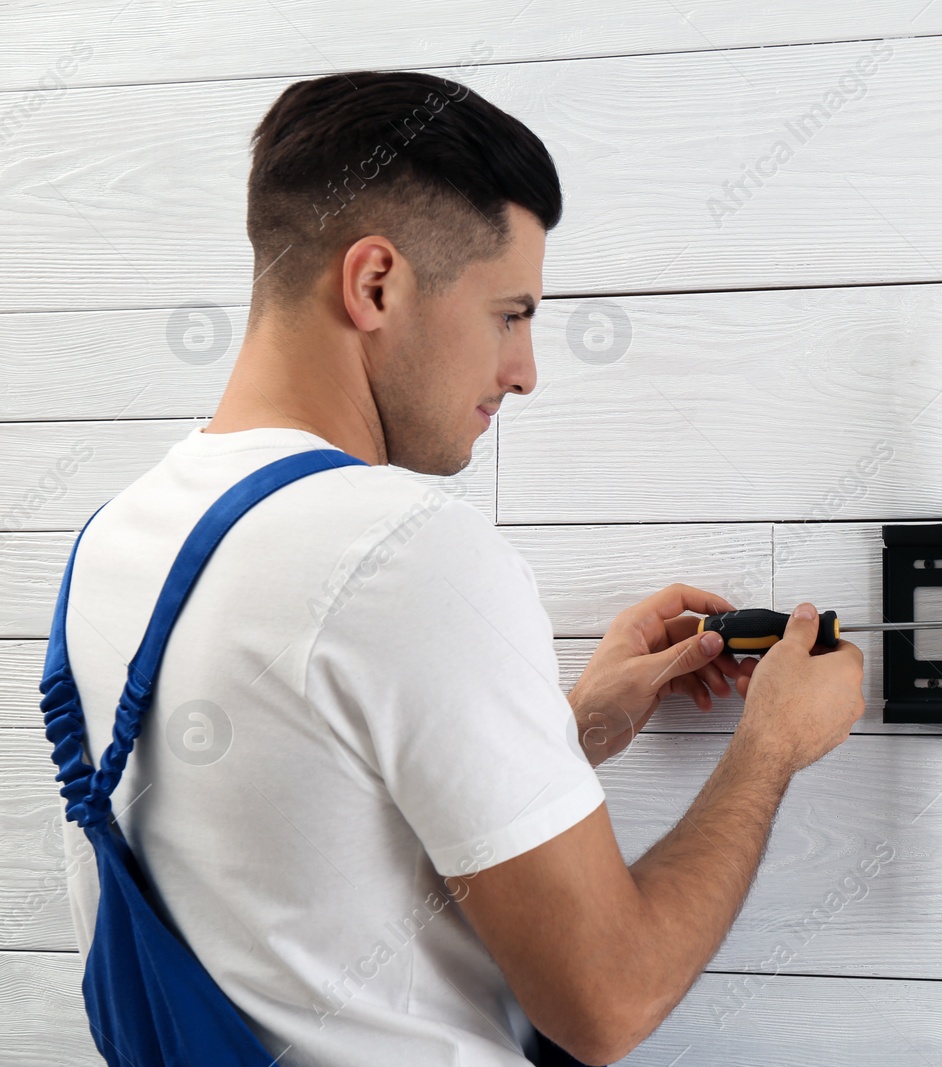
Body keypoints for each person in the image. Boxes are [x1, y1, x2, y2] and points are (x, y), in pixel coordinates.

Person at [57, 69, 865, 1065]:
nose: (524, 368)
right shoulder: (405, 550)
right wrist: (771, 746)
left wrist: (566, 731)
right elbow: (608, 1000)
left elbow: (297, 839)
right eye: (509, 314)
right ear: (376, 283)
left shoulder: (114, 537)